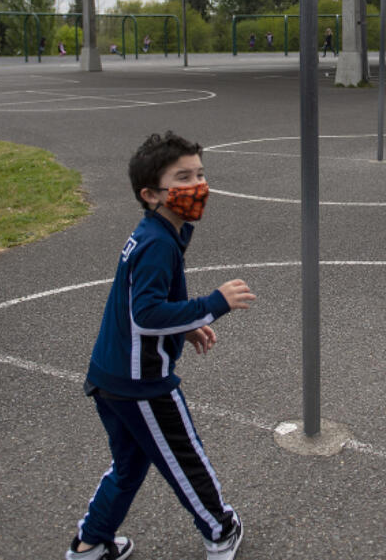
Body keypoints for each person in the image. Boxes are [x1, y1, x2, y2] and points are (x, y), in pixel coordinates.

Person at [66, 132, 255, 560]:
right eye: (183, 177)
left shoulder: (161, 232)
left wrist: (184, 327)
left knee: (129, 466)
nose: (198, 186)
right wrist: (212, 305)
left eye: (201, 174)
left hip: (111, 376)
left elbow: (149, 304)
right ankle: (220, 530)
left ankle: (90, 543)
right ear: (150, 194)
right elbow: (145, 314)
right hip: (142, 383)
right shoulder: (156, 242)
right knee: (185, 457)